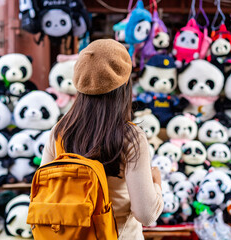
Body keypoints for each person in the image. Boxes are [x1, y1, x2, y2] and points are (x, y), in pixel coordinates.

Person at [41, 39, 163, 239]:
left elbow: (44, 192)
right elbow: (146, 214)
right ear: (124, 84)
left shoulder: (60, 131)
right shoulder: (130, 136)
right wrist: (157, 184)